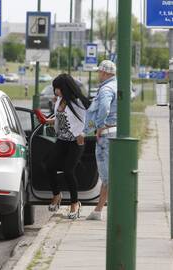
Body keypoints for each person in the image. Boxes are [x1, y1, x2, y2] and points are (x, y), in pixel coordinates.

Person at [45, 74, 90, 219]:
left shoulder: (79, 103)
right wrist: (49, 120)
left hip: (76, 142)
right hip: (62, 140)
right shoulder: (59, 100)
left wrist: (85, 132)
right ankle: (57, 195)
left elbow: (93, 119)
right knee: (49, 166)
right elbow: (61, 119)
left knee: (68, 170)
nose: (55, 91)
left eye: (57, 88)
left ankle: (74, 203)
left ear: (64, 87)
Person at [84, 60, 117, 221]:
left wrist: (99, 126)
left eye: (99, 72)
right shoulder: (117, 85)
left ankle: (103, 210)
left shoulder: (107, 89)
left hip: (106, 135)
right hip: (115, 132)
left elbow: (104, 107)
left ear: (105, 73)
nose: (98, 74)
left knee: (106, 175)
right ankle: (98, 210)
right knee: (110, 174)